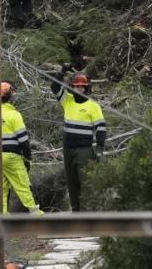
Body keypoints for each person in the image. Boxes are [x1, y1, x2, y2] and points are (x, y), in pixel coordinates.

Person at [0, 80, 44, 215]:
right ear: (11, 97)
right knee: (22, 185)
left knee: (0, 187)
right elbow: (24, 141)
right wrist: (27, 158)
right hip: (11, 156)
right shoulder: (15, 115)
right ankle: (36, 213)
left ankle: (2, 215)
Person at [50, 71, 106, 211]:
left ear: (86, 88)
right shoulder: (67, 100)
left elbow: (101, 128)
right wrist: (62, 71)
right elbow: (54, 86)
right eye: (76, 86)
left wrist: (100, 148)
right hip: (68, 149)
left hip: (84, 150)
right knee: (72, 182)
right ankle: (76, 212)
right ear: (72, 87)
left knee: (85, 182)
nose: (79, 89)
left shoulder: (94, 106)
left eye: (82, 86)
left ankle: (88, 214)